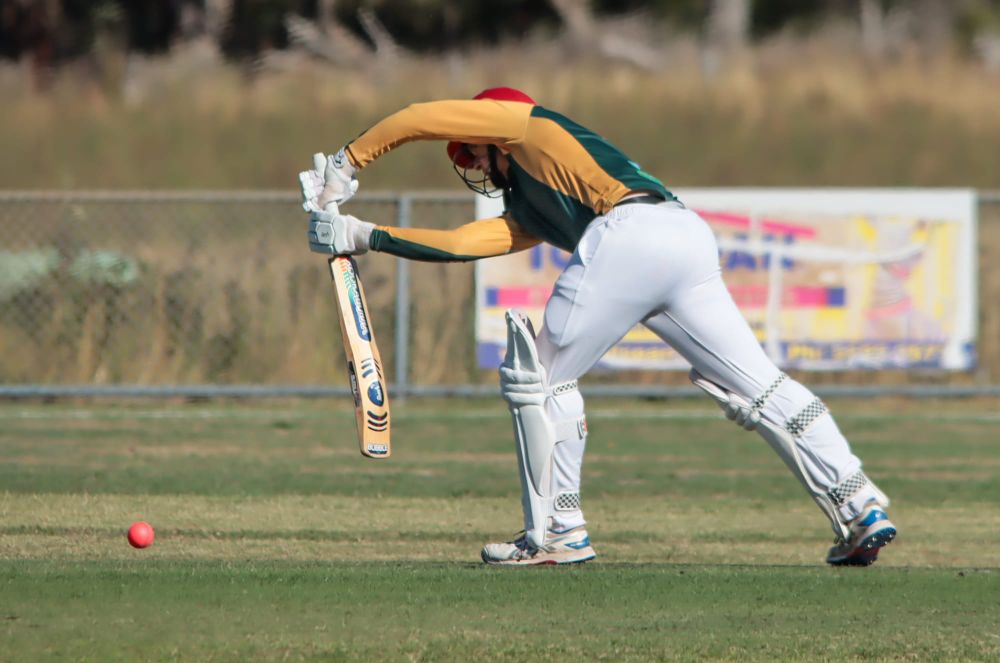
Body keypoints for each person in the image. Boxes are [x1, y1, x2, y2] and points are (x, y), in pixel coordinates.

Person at [298, 87, 897, 567]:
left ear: (490, 129)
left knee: (539, 379)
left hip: (630, 233)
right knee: (758, 388)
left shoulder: (520, 121)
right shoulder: (530, 208)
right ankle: (859, 504)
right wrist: (364, 234)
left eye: (473, 152)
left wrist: (348, 162)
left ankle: (557, 532)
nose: (474, 164)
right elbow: (460, 245)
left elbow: (418, 116)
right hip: (683, 235)